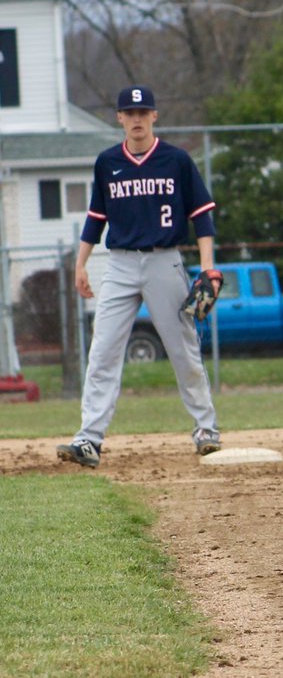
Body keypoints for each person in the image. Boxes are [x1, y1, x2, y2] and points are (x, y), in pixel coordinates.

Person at [57, 85, 222, 468]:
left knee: (182, 349)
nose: (136, 118)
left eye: (142, 112)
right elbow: (96, 219)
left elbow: (202, 218)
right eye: (129, 113)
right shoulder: (107, 162)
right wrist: (80, 264)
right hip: (119, 265)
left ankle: (205, 428)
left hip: (165, 261)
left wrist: (209, 266)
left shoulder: (176, 160)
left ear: (154, 116)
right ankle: (89, 439)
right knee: (102, 351)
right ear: (118, 118)